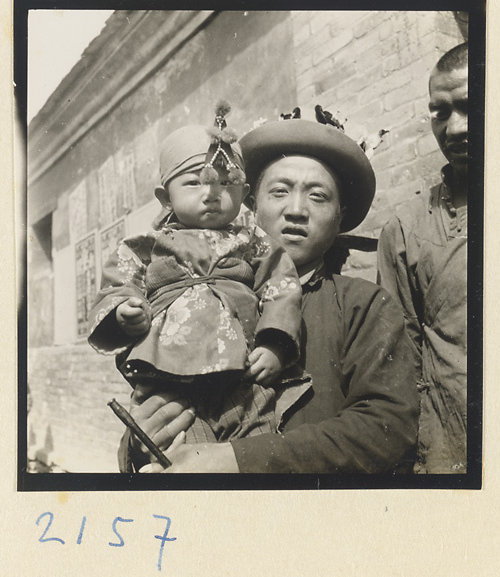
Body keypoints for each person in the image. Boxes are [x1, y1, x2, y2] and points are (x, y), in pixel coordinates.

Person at [118, 109, 419, 474]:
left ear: (340, 215)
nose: (296, 210)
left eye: (318, 196)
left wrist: (235, 460)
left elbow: (385, 429)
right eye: (279, 191)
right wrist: (139, 441)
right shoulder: (195, 296)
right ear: (252, 204)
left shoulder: (364, 306)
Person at [88, 102, 308, 448]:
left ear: (245, 194)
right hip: (168, 378)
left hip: (242, 377)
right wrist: (124, 311)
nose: (211, 194)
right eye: (194, 183)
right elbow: (119, 284)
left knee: (257, 447)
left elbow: (282, 287)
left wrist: (275, 344)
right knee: (180, 454)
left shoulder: (253, 241)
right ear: (166, 197)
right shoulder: (147, 244)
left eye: (226, 183)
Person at [377, 42, 468, 474]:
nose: (454, 130)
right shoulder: (406, 228)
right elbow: (403, 354)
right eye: (440, 112)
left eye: (471, 106)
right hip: (451, 452)